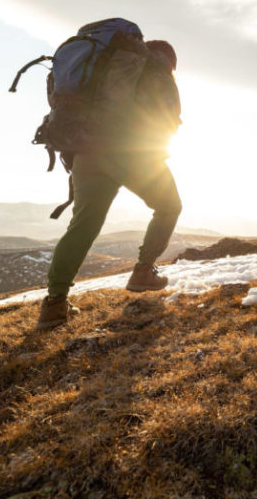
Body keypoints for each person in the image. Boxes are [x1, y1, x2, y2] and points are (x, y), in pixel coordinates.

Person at [36, 40, 183, 331]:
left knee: (82, 226)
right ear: (169, 60)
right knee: (169, 206)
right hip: (130, 152)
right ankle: (142, 272)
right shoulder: (155, 70)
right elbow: (168, 118)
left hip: (85, 153)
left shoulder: (101, 70)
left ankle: (54, 304)